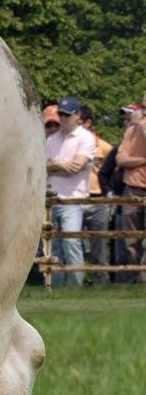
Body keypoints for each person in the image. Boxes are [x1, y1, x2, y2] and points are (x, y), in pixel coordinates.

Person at [45, 96, 97, 286]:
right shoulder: (51, 139)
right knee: (53, 244)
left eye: (67, 115)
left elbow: (76, 167)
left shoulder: (86, 138)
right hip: (51, 198)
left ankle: (75, 284)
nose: (63, 118)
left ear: (78, 115)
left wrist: (53, 165)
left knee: (71, 240)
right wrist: (60, 164)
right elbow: (42, 165)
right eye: (61, 114)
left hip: (73, 199)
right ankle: (55, 286)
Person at [79, 105, 113, 284]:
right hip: (76, 198)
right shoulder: (71, 144)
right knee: (72, 242)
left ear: (88, 123)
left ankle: (101, 282)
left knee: (99, 244)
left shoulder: (104, 147)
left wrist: (108, 192)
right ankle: (76, 280)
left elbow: (112, 171)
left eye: (79, 122)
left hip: (98, 198)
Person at [116, 103, 146, 282]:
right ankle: (135, 279)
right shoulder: (131, 132)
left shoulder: (139, 128)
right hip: (133, 189)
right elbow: (120, 159)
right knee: (130, 240)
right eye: (143, 107)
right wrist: (143, 160)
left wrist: (142, 127)